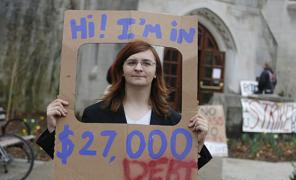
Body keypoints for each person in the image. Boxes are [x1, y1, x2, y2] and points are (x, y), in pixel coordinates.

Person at [36, 40, 212, 169]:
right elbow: (71, 166)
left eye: (146, 63)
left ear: (156, 72)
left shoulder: (173, 120)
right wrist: (53, 129)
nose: (138, 68)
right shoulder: (95, 114)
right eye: (132, 62)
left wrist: (199, 142)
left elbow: (183, 172)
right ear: (121, 70)